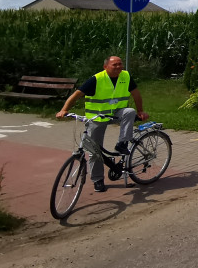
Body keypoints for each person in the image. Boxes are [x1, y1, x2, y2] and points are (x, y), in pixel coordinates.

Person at [56, 55, 148, 193]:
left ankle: (122, 143)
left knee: (129, 111)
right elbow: (76, 95)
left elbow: (136, 94)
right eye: (114, 65)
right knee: (94, 151)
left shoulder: (125, 76)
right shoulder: (96, 79)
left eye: (120, 64)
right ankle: (98, 180)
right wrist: (64, 110)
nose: (118, 67)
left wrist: (140, 111)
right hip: (97, 117)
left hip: (116, 113)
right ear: (105, 67)